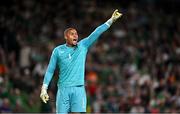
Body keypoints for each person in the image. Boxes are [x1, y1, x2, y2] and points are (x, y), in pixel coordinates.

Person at [40, 9, 122, 113]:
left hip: (78, 89)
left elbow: (96, 33)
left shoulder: (82, 46)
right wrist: (44, 88)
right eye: (72, 34)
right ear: (65, 37)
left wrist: (110, 21)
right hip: (63, 89)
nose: (75, 35)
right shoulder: (58, 50)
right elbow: (50, 70)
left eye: (76, 34)